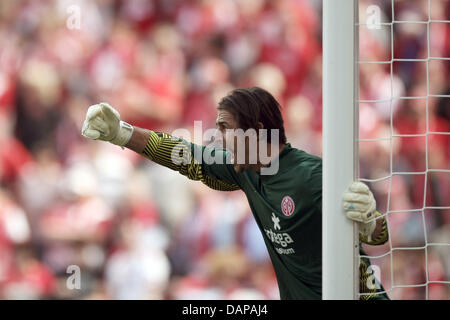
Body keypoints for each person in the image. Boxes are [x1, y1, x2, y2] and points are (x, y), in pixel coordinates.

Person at [81, 87, 389, 300]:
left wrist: (369, 220)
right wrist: (121, 133)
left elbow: (376, 236)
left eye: (225, 128)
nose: (219, 138)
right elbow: (185, 155)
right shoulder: (246, 172)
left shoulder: (312, 176)